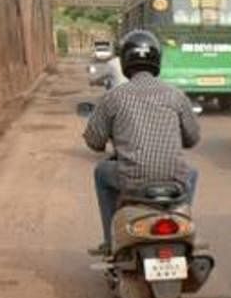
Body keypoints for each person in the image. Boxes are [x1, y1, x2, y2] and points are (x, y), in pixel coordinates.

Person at [83, 30, 200, 256]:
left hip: (131, 180)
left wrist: (110, 137)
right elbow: (192, 139)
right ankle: (180, 219)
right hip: (174, 181)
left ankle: (111, 241)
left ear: (125, 60)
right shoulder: (176, 95)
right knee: (192, 172)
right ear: (157, 60)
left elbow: (94, 142)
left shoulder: (113, 97)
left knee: (101, 172)